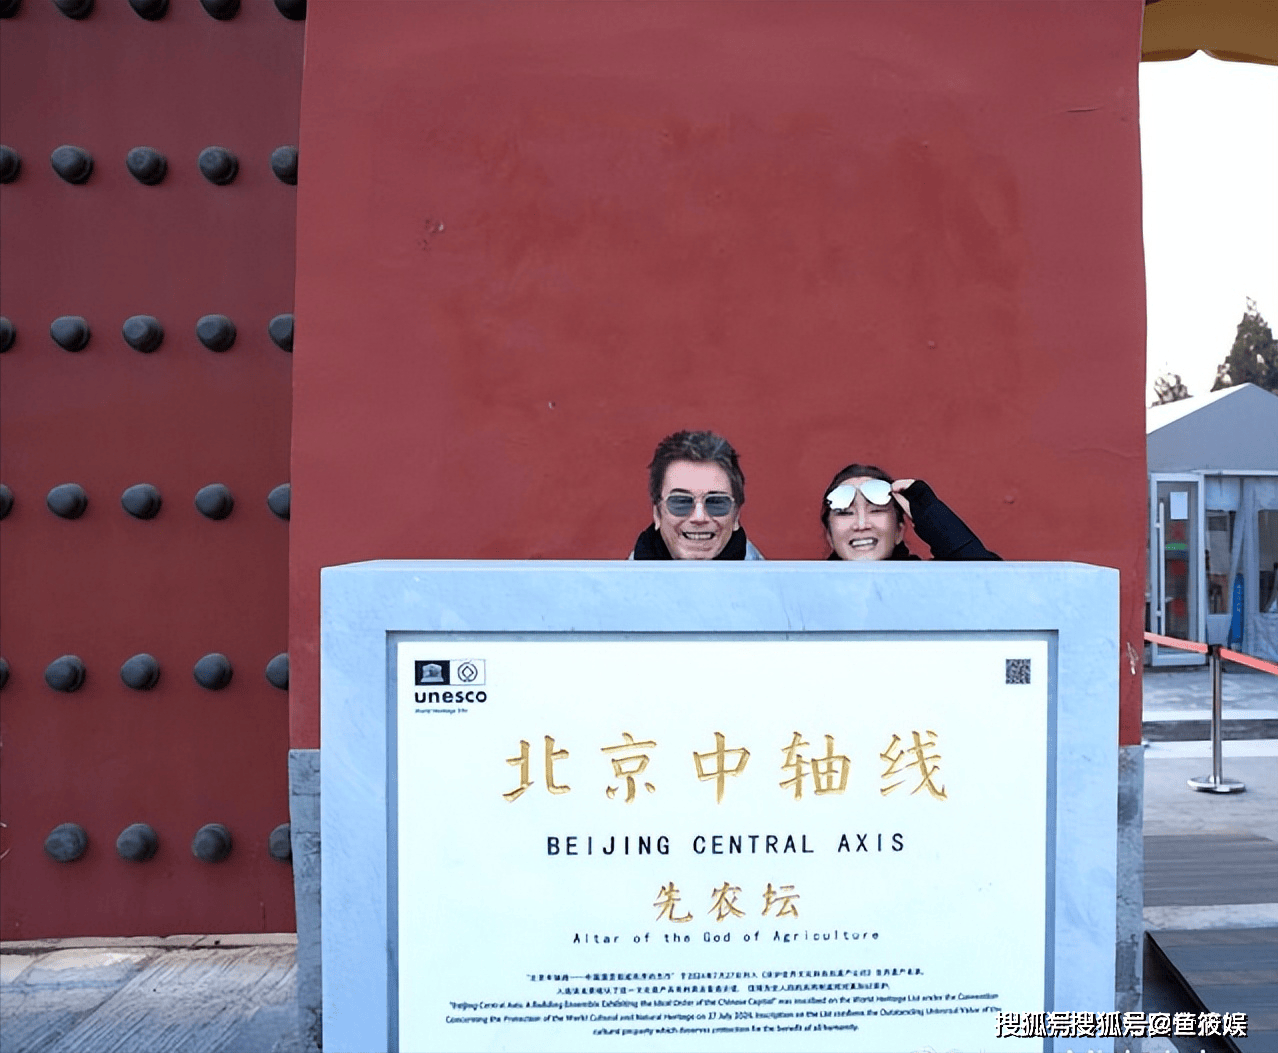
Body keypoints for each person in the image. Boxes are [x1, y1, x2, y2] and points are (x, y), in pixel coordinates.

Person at [820, 463, 999, 561]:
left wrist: (931, 515)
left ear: (899, 531)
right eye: (845, 513)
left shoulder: (931, 584)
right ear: (830, 536)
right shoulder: (807, 592)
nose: (861, 525)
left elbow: (993, 586)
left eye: (876, 510)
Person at [631, 430, 764, 560]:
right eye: (681, 502)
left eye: (716, 503)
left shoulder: (767, 575)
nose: (699, 518)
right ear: (657, 514)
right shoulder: (623, 575)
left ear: (736, 516)